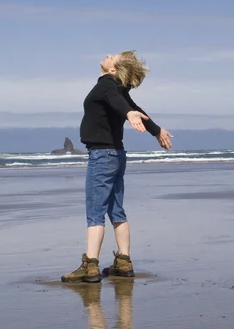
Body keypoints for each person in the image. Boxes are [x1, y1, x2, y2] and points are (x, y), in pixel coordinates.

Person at [61, 50, 173, 283]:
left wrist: (129, 113)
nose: (108, 54)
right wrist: (157, 131)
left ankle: (90, 266)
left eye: (113, 57)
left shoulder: (107, 85)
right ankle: (123, 262)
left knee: (95, 212)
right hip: (116, 155)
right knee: (116, 210)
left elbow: (123, 104)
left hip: (102, 155)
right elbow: (132, 106)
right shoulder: (117, 89)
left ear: (113, 70)